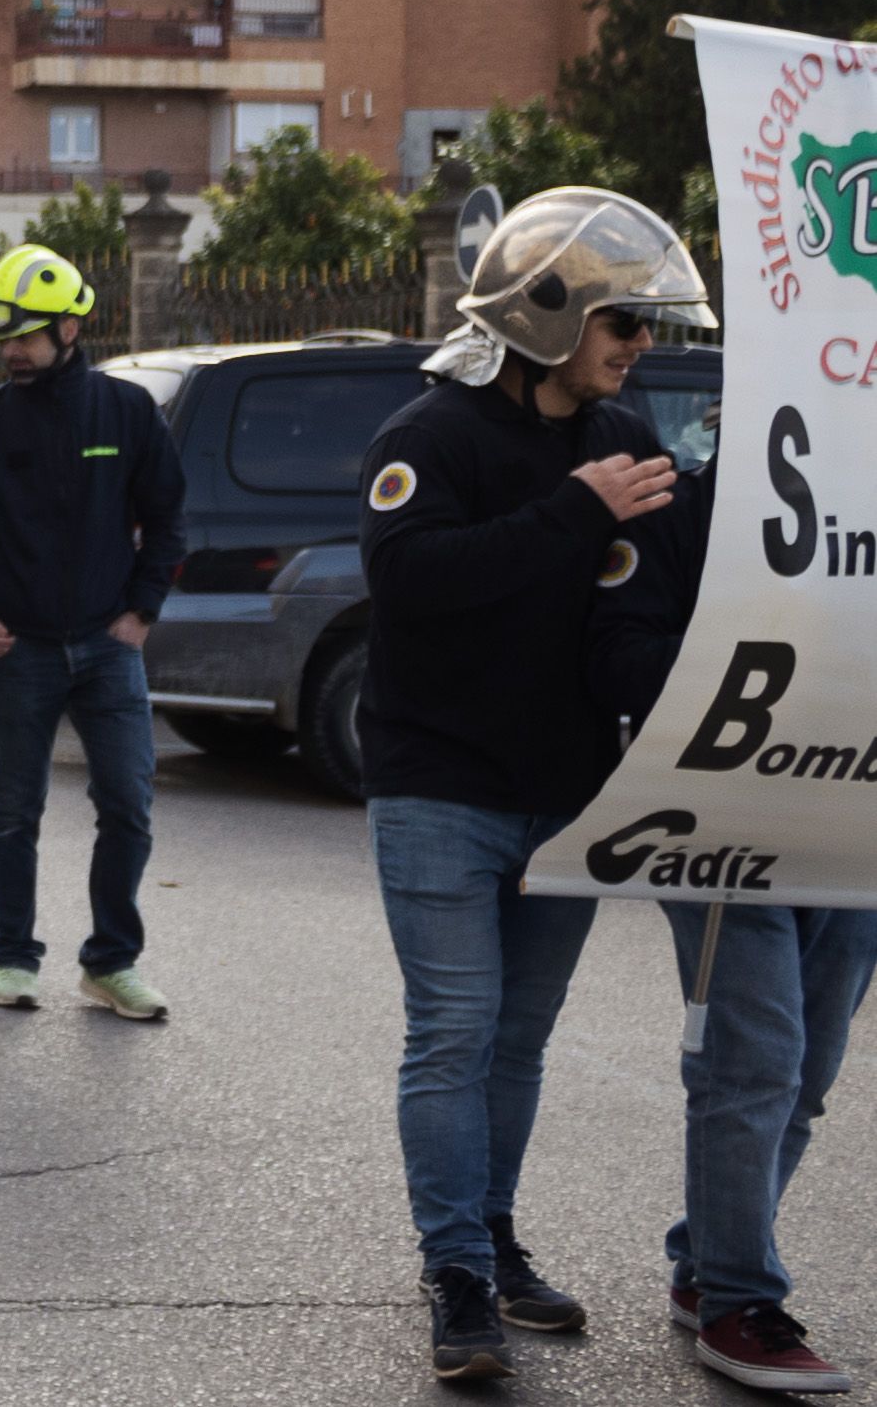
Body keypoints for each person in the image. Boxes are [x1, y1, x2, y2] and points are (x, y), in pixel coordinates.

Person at [354, 186, 708, 1381]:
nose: (642, 348)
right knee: (453, 1033)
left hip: (569, 794)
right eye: (625, 325)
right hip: (438, 787)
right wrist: (573, 510)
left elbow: (674, 577)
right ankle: (455, 1273)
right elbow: (415, 583)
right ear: (548, 316)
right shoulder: (427, 438)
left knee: (519, 1039)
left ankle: (494, 1241)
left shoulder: (623, 437)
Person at [583, 441, 877, 1394]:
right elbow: (619, 660)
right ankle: (739, 1302)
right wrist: (769, 667)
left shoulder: (860, 526)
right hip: (718, 828)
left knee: (808, 1074)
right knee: (756, 1062)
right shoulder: (681, 511)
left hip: (848, 831)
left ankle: (706, 1257)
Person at [0, 243, 184, 1023]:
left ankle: (110, 964)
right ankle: (11, 957)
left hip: (108, 648)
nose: (11, 351)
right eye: (3, 339)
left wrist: (140, 611)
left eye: (25, 336)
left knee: (128, 807)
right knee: (13, 811)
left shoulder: (126, 412)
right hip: (20, 652)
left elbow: (168, 518)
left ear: (70, 328)